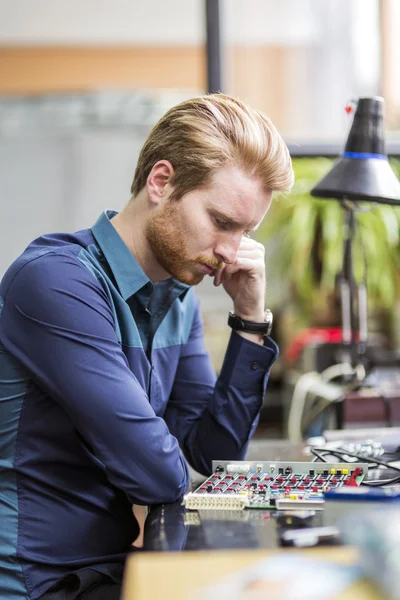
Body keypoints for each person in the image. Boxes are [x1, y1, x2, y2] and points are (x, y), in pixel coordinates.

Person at [0, 93, 293, 599]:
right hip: (36, 579)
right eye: (222, 222)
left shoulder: (176, 298)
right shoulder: (56, 282)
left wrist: (250, 319)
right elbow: (158, 474)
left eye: (246, 232)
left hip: (111, 567)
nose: (231, 252)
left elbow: (212, 454)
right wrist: (167, 455)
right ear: (162, 182)